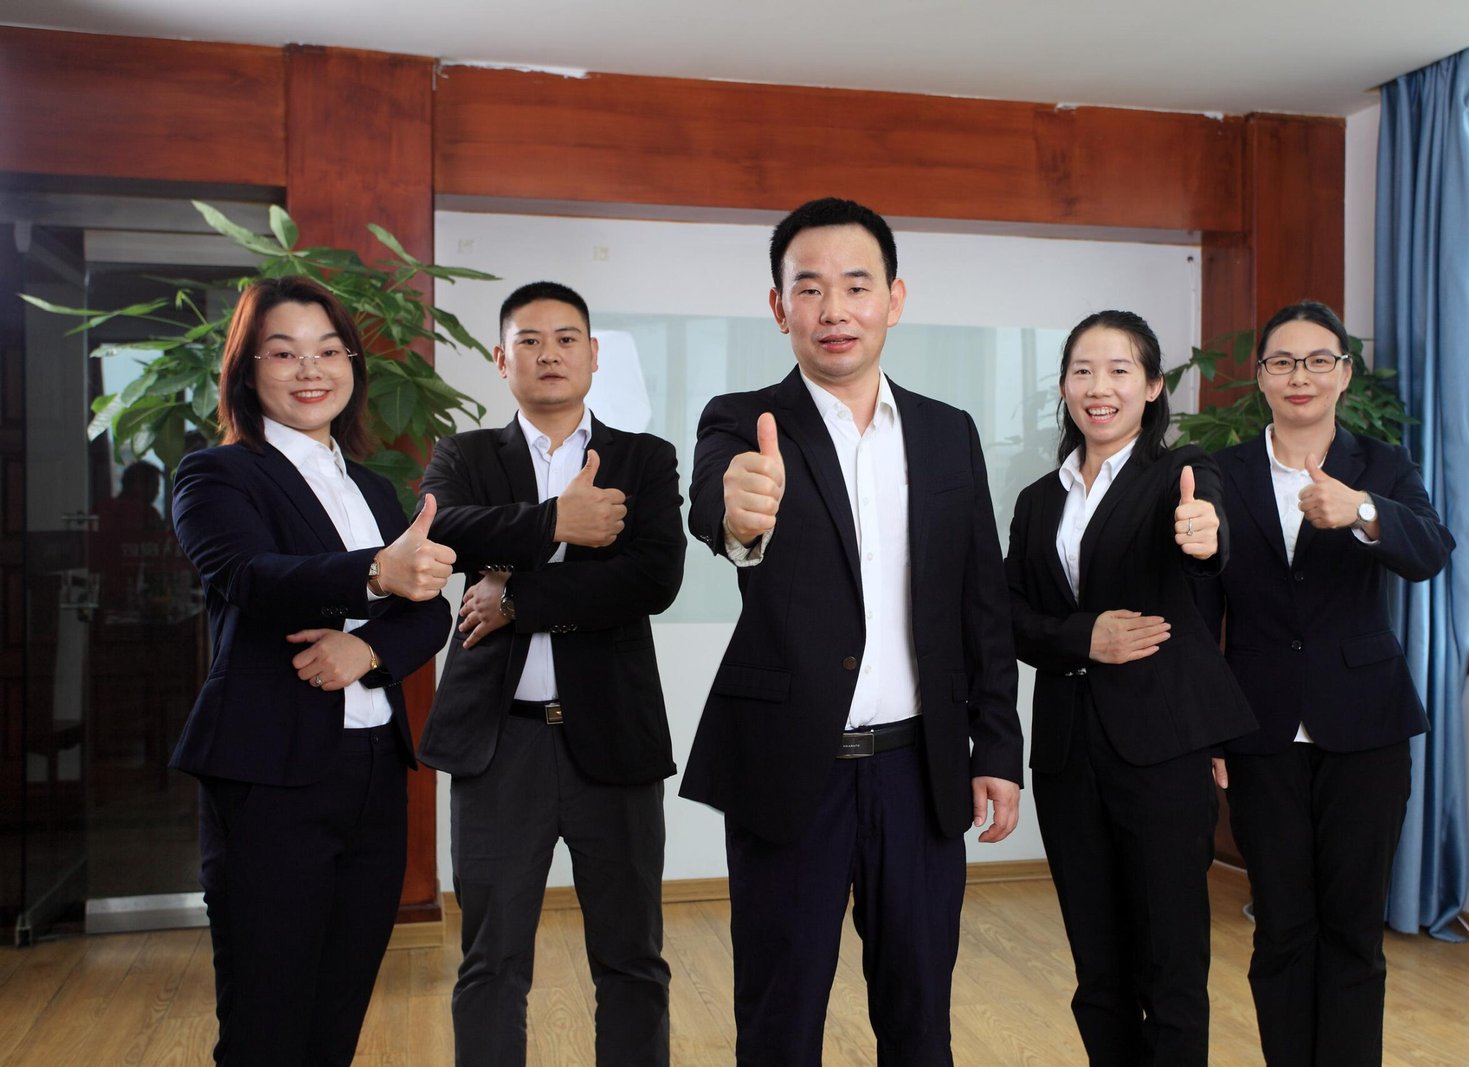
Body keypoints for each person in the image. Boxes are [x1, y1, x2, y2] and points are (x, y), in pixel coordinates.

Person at [680, 197, 1023, 1067]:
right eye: (810, 288)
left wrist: (998, 749)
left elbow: (983, 598)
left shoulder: (949, 433)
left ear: (894, 300)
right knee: (780, 1015)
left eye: (856, 286)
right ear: (779, 307)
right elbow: (716, 501)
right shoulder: (741, 417)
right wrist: (739, 512)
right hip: (792, 765)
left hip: (922, 767)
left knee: (919, 1013)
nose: (834, 310)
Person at [169, 276, 454, 1066]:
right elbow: (250, 575)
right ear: (246, 368)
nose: (310, 369)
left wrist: (368, 650)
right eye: (285, 352)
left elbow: (430, 609)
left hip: (373, 772)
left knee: (337, 1016)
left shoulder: (373, 486)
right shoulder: (216, 474)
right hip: (269, 774)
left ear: (353, 365)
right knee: (267, 1025)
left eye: (329, 350)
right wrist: (375, 577)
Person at [417, 281, 685, 1067]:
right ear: (502, 361)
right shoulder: (465, 455)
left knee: (633, 957)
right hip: (501, 746)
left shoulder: (644, 458)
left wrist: (519, 594)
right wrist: (555, 524)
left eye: (567, 338)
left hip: (613, 740)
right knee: (492, 960)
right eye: (529, 341)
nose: (549, 354)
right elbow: (445, 532)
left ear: (594, 356)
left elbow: (651, 579)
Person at [1195, 301, 1453, 1067]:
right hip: (1260, 729)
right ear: (1260, 378)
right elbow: (1205, 606)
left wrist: (1363, 510)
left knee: (1351, 930)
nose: (1298, 375)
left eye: (1317, 361)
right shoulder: (1222, 471)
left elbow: (1432, 549)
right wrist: (1211, 725)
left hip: (1366, 729)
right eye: (1282, 361)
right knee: (1281, 927)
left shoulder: (1384, 464)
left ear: (1344, 373)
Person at [1004, 309, 1256, 1066]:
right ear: (1064, 387)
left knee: (1171, 963)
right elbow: (1009, 617)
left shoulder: (1180, 470)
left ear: (1151, 386)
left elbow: (1207, 523)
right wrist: (1085, 637)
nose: (1098, 386)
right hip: (1068, 752)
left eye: (1119, 370)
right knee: (1097, 968)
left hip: (1161, 749)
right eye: (1082, 370)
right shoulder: (1037, 501)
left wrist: (1205, 531)